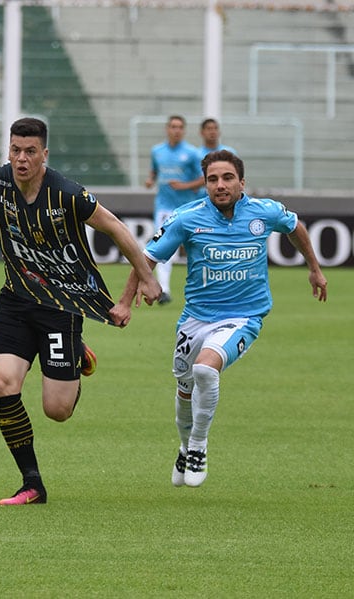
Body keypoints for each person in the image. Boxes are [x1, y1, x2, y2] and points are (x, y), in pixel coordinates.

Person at [0, 117, 161, 506]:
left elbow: (115, 227)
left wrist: (145, 278)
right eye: (15, 150)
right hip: (14, 302)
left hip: (61, 308)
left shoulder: (66, 193)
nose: (21, 159)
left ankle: (76, 351)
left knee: (57, 411)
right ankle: (32, 483)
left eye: (30, 152)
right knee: (3, 383)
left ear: (44, 154)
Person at [117, 150, 327, 488]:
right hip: (195, 319)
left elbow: (295, 226)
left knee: (204, 369)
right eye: (213, 179)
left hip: (244, 316)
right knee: (185, 387)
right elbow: (147, 257)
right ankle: (185, 448)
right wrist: (126, 301)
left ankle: (199, 446)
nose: (220, 185)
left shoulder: (264, 212)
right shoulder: (187, 217)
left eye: (227, 178)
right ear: (205, 184)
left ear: (242, 182)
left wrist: (315, 269)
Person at [144, 116, 204, 305]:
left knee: (193, 247)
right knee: (164, 244)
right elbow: (154, 170)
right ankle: (164, 289)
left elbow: (203, 178)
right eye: (173, 126)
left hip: (187, 207)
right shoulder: (157, 151)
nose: (176, 130)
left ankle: (204, 287)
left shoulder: (192, 153)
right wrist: (151, 180)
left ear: (184, 130)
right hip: (164, 207)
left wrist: (185, 186)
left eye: (179, 127)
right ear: (167, 129)